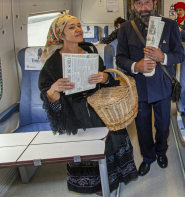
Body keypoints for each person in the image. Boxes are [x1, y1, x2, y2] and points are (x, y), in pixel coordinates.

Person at [38, 14, 138, 195]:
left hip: (99, 107)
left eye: (78, 25)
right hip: (75, 113)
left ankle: (114, 180)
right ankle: (97, 186)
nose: (78, 30)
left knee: (113, 141)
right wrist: (54, 90)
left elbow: (107, 77)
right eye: (71, 27)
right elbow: (47, 97)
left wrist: (105, 77)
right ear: (61, 36)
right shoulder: (52, 64)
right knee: (88, 151)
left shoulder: (90, 50)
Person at [116, 0, 185, 177]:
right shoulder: (125, 28)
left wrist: (163, 56)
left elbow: (180, 55)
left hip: (162, 84)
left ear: (154, 3)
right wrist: (135, 66)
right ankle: (148, 157)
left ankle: (161, 152)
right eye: (139, 3)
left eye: (147, 2)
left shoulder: (170, 25)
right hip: (139, 86)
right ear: (134, 6)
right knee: (142, 126)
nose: (143, 7)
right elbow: (120, 58)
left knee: (163, 125)